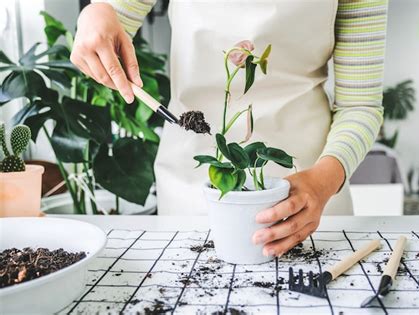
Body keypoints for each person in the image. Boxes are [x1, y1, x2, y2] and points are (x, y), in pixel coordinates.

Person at [71, 0, 388, 257]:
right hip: (191, 191)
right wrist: (98, 13)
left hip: (310, 195)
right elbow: (114, 20)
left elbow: (360, 105)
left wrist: (323, 182)